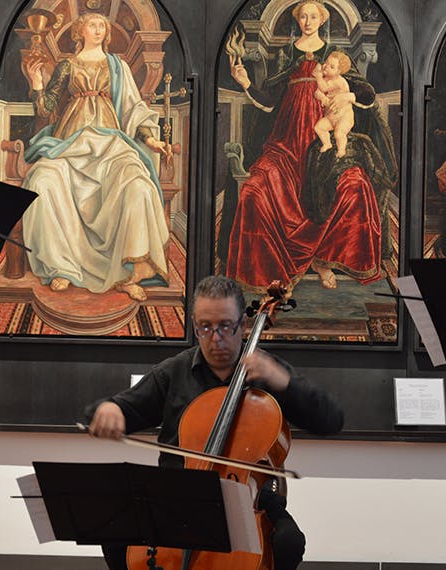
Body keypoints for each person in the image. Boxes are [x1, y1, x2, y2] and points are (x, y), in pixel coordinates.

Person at [87, 274, 344, 570]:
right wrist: (109, 409)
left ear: (243, 325)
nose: (215, 338)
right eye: (205, 328)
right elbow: (121, 409)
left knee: (288, 542)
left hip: (250, 502)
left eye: (225, 326)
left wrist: (283, 382)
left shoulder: (268, 372)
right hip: (177, 497)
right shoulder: (174, 372)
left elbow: (330, 420)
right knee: (115, 534)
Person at [226, 0, 397, 294]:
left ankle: (325, 258)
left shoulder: (335, 57)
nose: (307, 20)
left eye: (313, 16)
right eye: (302, 15)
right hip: (285, 145)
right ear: (297, 20)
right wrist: (244, 83)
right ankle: (271, 272)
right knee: (255, 190)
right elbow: (268, 101)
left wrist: (349, 97)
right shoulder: (286, 55)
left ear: (322, 20)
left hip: (324, 142)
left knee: (355, 186)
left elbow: (364, 92)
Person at [21, 13, 171, 302]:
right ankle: (60, 266)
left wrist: (150, 139)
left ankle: (130, 273)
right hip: (70, 142)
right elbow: (46, 107)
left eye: (102, 25)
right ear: (80, 30)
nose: (99, 29)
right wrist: (37, 83)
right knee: (43, 179)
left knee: (138, 185)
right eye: (93, 24)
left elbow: (131, 106)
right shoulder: (67, 65)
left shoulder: (119, 66)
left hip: (111, 142)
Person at [313, 51, 354, 158]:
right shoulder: (327, 79)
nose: (326, 66)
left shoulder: (339, 81)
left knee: (339, 133)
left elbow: (324, 88)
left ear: (339, 71)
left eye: (332, 67)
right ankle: (327, 143)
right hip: (331, 116)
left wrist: (318, 77)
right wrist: (321, 97)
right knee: (319, 127)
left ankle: (341, 150)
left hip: (344, 117)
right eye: (326, 62)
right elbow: (317, 92)